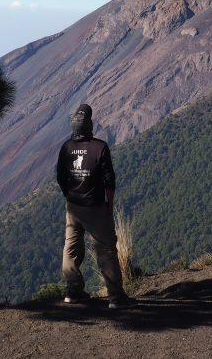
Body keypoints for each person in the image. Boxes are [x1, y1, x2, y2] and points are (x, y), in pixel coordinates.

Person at [56, 103, 134, 310]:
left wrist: (70, 196)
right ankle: (116, 297)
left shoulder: (66, 148)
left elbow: (60, 177)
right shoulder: (99, 147)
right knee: (106, 250)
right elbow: (109, 180)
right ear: (89, 125)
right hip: (95, 206)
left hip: (73, 207)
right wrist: (109, 204)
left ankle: (73, 292)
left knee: (71, 248)